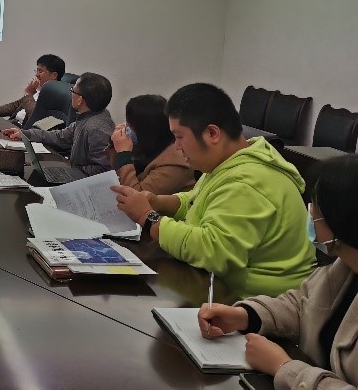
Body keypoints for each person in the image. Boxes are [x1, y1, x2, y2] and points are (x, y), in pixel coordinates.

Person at [111, 83, 315, 299]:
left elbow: (213, 251)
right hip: (221, 286)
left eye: (179, 136)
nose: (176, 146)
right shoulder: (231, 161)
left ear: (212, 133)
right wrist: (160, 202)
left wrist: (148, 217)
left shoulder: (248, 182)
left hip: (257, 300)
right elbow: (199, 200)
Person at [198, 155, 358, 388]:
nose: (310, 214)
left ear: (340, 218)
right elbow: (301, 305)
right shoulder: (344, 267)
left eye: (315, 206)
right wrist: (245, 316)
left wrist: (283, 367)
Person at [2, 72, 115, 183]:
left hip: (85, 184)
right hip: (76, 176)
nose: (71, 93)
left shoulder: (97, 129)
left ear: (80, 100)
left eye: (72, 90)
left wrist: (69, 172)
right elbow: (60, 137)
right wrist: (25, 134)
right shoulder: (88, 116)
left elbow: (103, 170)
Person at [109, 94, 196, 195]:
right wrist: (114, 145)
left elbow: (135, 196)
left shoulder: (175, 164)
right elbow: (117, 176)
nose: (126, 127)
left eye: (130, 124)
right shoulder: (152, 144)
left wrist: (124, 154)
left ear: (146, 129)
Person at [0, 54, 66, 128]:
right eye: (37, 70)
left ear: (54, 75)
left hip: (23, 131)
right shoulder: (39, 90)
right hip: (12, 125)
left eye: (40, 71)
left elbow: (36, 119)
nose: (37, 75)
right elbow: (15, 105)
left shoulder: (56, 97)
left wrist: (29, 94)